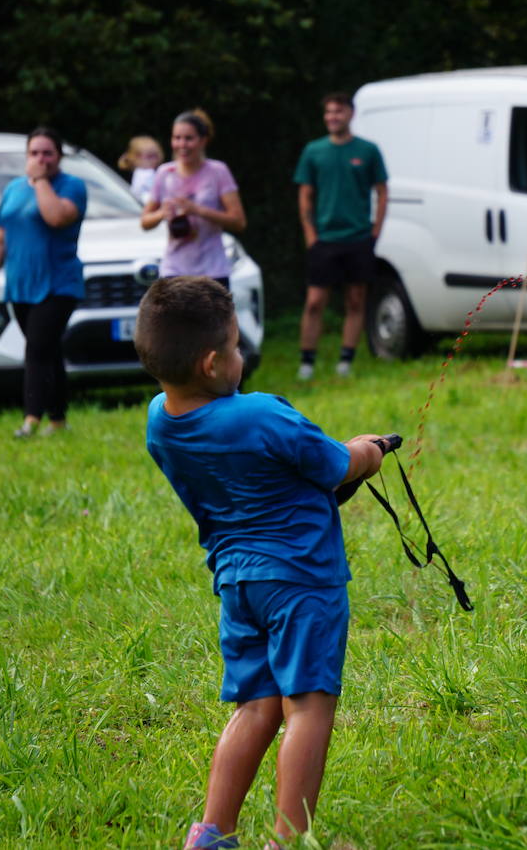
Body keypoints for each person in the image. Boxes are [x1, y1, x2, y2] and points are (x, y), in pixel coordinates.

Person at [133, 276, 387, 850]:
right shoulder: (261, 416)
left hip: (238, 584)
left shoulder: (159, 422)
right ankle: (288, 842)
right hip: (301, 581)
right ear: (212, 364)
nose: (242, 354)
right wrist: (369, 451)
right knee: (309, 707)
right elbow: (335, 465)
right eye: (237, 345)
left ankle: (212, 833)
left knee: (257, 706)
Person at [0, 126, 87, 438]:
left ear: (59, 156)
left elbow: (56, 217)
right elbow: (2, 240)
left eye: (48, 153)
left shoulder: (72, 187)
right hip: (20, 285)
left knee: (36, 349)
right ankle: (58, 422)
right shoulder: (14, 188)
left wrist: (42, 181)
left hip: (58, 285)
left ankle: (30, 420)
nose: (41, 159)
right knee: (49, 352)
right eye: (34, 153)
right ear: (26, 156)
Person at [293, 92, 388, 380]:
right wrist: (311, 235)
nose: (333, 117)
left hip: (358, 237)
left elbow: (382, 193)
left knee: (356, 300)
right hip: (325, 239)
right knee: (314, 302)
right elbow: (305, 195)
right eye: (328, 112)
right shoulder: (314, 151)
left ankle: (346, 360)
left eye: (338, 112)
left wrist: (374, 233)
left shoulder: (368, 150)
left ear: (350, 114)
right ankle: (307, 362)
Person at [139, 109, 246, 290]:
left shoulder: (217, 172)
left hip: (212, 271)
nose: (182, 144)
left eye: (189, 138)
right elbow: (145, 222)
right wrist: (161, 214)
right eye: (177, 138)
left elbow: (239, 222)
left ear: (203, 140)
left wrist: (198, 210)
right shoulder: (165, 173)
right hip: (174, 269)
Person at [118, 134, 164, 204]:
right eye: (150, 156)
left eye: (155, 155)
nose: (155, 160)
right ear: (136, 157)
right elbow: (144, 196)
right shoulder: (145, 173)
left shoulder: (141, 173)